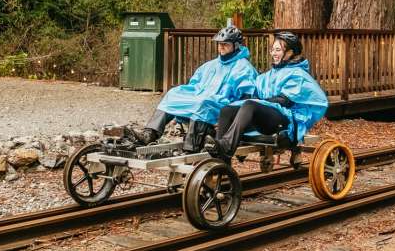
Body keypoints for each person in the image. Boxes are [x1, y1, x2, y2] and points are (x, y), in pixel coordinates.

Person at [131, 22, 257, 152]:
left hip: (221, 105)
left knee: (203, 102)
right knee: (173, 93)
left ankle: (191, 146)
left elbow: (246, 97)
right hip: (201, 98)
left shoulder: (244, 67)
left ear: (236, 46)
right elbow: (194, 84)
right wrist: (188, 94)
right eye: (220, 44)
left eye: (225, 44)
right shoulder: (211, 65)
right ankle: (150, 133)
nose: (221, 47)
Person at [213, 31, 328, 159]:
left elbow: (284, 101)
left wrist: (257, 102)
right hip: (266, 117)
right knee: (227, 110)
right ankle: (220, 158)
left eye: (277, 50)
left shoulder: (298, 74)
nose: (273, 53)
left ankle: (226, 146)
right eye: (272, 50)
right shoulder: (269, 75)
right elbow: (254, 93)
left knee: (250, 105)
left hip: (285, 120)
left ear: (289, 53)